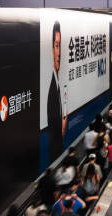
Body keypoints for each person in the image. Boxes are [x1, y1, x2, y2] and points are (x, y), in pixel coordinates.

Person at [46, 21, 66, 160]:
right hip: (55, 152)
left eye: (60, 46)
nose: (59, 52)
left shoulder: (59, 85)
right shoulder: (52, 90)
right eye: (56, 46)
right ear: (52, 50)